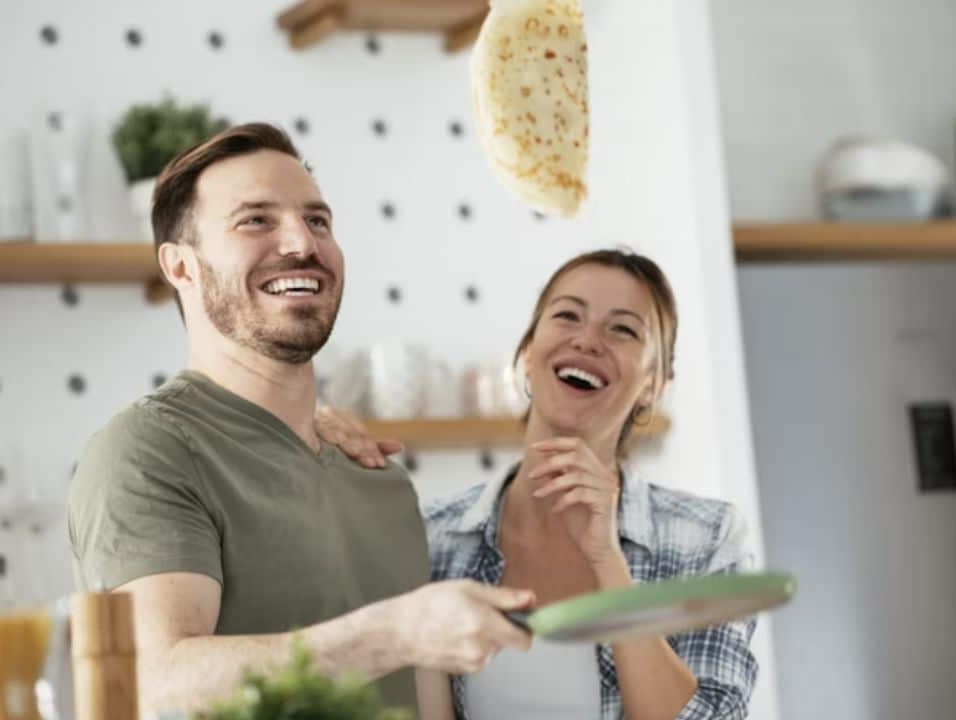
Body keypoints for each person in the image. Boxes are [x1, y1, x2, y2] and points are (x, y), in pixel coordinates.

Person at [66, 123, 532, 718]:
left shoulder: (378, 478)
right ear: (180, 266)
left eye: (318, 220)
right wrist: (394, 633)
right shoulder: (149, 451)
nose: (301, 243)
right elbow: (150, 683)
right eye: (255, 220)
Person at [417, 249, 759, 719]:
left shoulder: (707, 538)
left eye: (623, 329)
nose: (587, 340)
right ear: (527, 353)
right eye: (566, 315)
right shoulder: (431, 537)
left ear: (655, 384)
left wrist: (607, 560)